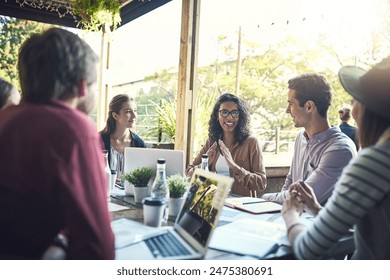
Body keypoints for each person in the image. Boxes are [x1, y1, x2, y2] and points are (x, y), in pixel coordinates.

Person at [0, 28, 115, 259]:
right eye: (95, 84)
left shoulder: (6, 118)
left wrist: (61, 239)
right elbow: (98, 249)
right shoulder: (73, 128)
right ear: (82, 87)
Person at [282, 57, 390, 260]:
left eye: (355, 100)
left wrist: (290, 214)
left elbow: (307, 250)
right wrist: (316, 209)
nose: (353, 110)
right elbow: (358, 230)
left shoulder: (374, 162)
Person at [262, 74, 357, 205]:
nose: (287, 110)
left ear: (309, 106)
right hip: (293, 219)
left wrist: (265, 198)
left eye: (291, 104)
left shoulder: (340, 150)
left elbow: (302, 197)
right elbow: (290, 182)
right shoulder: (300, 138)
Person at [186, 93, 266, 197]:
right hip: (213, 202)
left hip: (241, 205)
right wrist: (204, 164)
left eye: (234, 113)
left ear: (240, 116)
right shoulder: (212, 142)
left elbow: (261, 183)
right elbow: (188, 173)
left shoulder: (251, 142)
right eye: (224, 112)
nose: (229, 118)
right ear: (217, 116)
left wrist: (234, 167)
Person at [100, 94, 146, 184]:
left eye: (135, 111)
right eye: (128, 111)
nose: (134, 116)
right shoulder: (98, 141)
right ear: (115, 116)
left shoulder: (139, 144)